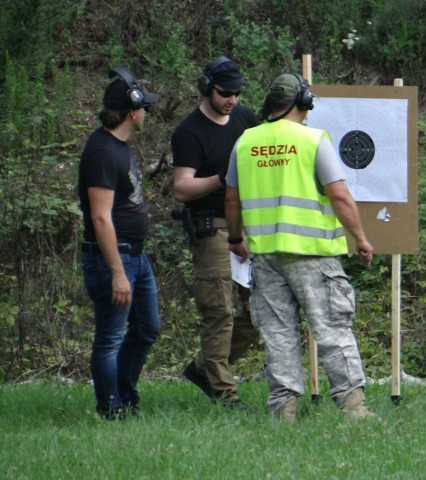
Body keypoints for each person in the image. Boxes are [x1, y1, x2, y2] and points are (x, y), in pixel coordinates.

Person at [224, 72, 376, 420]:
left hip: (266, 257)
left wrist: (236, 238)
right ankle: (354, 409)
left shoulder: (245, 142)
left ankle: (284, 411)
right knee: (332, 329)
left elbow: (231, 200)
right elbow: (338, 194)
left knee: (278, 335)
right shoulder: (312, 140)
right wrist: (361, 239)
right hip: (312, 256)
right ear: (303, 102)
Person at [171, 56, 260, 407]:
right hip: (212, 229)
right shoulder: (189, 132)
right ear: (207, 87)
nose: (232, 100)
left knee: (258, 314)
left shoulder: (245, 118)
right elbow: (182, 188)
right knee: (219, 311)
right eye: (225, 93)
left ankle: (203, 368)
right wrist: (221, 178)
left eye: (238, 93)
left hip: (248, 228)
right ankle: (226, 396)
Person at [78, 67, 161, 419]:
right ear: (132, 110)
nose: (147, 113)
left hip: (135, 257)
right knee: (111, 338)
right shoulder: (102, 152)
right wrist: (117, 273)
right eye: (145, 107)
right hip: (114, 259)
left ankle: (124, 396)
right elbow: (99, 217)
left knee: (147, 328)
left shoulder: (118, 146)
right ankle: (110, 410)